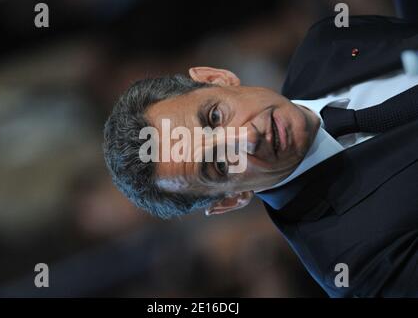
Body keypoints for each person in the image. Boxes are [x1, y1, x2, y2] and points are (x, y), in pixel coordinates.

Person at [103, 15, 418, 297]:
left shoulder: (325, 43)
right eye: (220, 163)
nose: (250, 137)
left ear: (217, 78)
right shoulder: (357, 265)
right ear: (230, 200)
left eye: (214, 117)